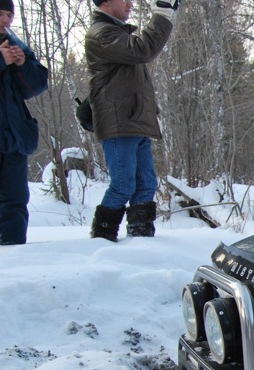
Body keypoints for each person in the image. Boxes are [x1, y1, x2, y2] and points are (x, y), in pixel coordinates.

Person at [85, 0, 180, 242]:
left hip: (134, 121)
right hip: (119, 123)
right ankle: (101, 241)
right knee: (122, 186)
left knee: (146, 184)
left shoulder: (115, 33)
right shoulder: (101, 33)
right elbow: (143, 49)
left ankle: (141, 241)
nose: (130, 3)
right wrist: (162, 14)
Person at [0, 0, 48, 246]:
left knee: (15, 201)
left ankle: (13, 256)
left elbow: (37, 86)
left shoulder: (18, 46)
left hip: (14, 137)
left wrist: (21, 65)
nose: (5, 20)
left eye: (9, 14)